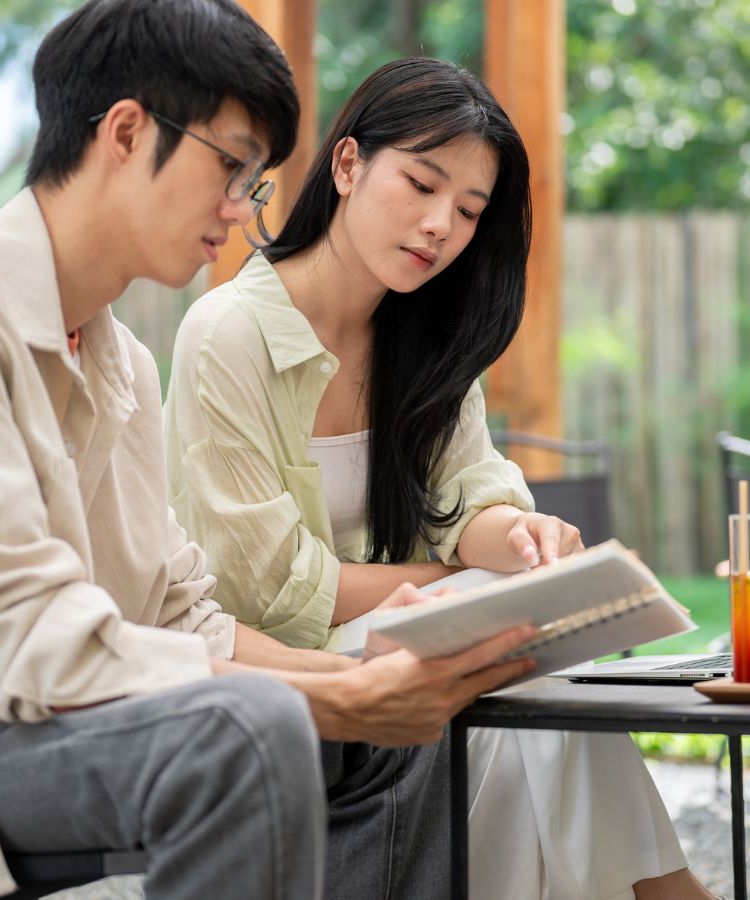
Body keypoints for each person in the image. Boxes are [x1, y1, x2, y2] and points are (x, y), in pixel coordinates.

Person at [0, 4, 534, 900]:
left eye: (254, 179)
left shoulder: (119, 365)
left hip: (35, 743)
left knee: (414, 723)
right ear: (125, 130)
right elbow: (32, 644)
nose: (241, 206)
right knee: (254, 728)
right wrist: (334, 699)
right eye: (231, 165)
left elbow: (176, 610)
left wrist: (363, 675)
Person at [164, 58, 718, 900]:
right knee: (523, 686)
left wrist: (518, 541)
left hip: (412, 645)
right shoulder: (228, 334)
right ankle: (673, 892)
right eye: (421, 185)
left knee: (536, 720)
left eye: (467, 211)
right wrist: (462, 583)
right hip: (282, 675)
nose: (438, 228)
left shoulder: (424, 337)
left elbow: (473, 495)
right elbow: (269, 588)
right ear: (347, 166)